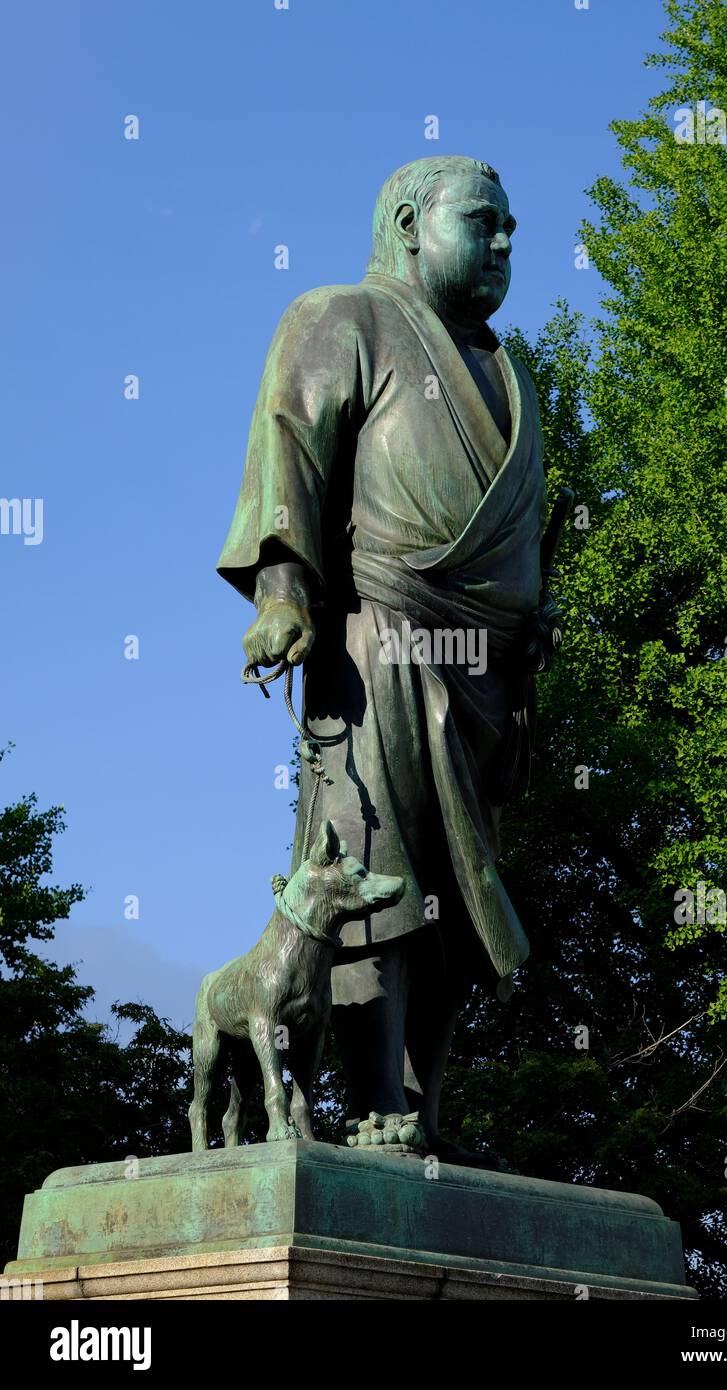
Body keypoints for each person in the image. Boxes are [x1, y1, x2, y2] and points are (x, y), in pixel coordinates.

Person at [217, 156, 554, 1160]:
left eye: (511, 228)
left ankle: (422, 1111)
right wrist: (283, 592)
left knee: (460, 904)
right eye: (484, 222)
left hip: (485, 669)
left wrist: (530, 632)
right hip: (380, 640)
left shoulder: (508, 372)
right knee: (372, 872)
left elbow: (525, 533)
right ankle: (372, 1104)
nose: (504, 242)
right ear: (410, 224)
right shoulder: (341, 317)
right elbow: (291, 447)